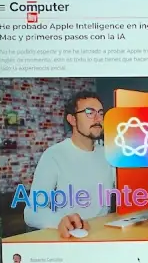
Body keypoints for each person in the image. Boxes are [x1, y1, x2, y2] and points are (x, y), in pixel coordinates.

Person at [23, 90, 117, 237]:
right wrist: (60, 221)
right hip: (72, 237)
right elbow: (31, 212)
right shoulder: (54, 155)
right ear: (72, 119)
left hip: (103, 235)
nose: (98, 118)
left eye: (100, 113)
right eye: (89, 112)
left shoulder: (109, 153)